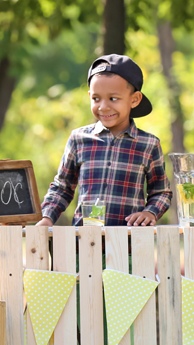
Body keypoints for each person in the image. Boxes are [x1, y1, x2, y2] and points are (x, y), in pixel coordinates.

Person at [37, 54, 172, 227]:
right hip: (84, 242)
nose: (103, 106)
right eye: (96, 98)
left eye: (113, 98)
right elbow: (62, 187)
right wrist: (47, 217)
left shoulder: (149, 144)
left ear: (135, 99)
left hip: (128, 244)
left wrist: (150, 212)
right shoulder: (79, 139)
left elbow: (161, 192)